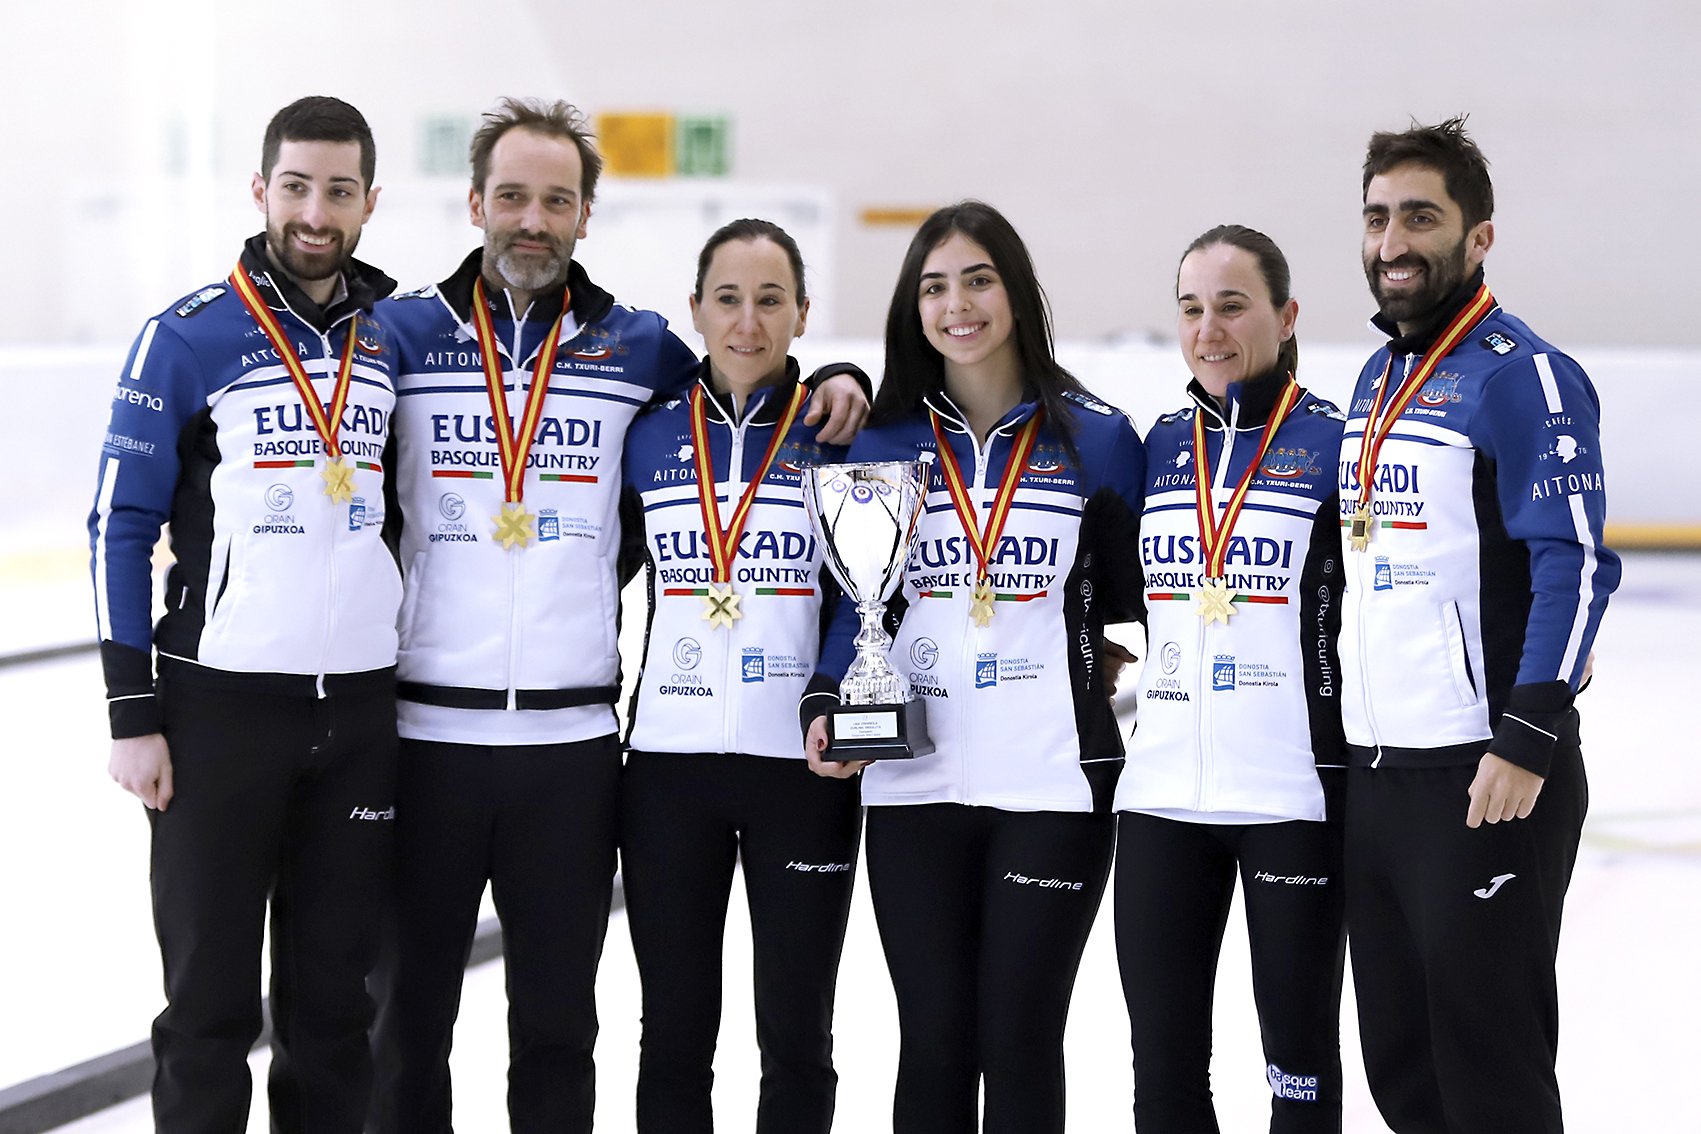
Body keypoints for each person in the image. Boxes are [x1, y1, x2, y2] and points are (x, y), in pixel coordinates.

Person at [368, 98, 868, 1134]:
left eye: (558, 199)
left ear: (588, 215)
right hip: (427, 738)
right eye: (512, 196)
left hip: (575, 750)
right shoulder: (405, 333)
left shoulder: (639, 351)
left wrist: (847, 378)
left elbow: (755, 396)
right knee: (406, 1021)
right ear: (475, 203)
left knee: (560, 1026)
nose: (533, 219)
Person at [90, 96, 399, 1133]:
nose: (317, 211)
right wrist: (133, 713)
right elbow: (117, 529)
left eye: (340, 190)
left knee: (333, 1012)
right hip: (217, 717)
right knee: (209, 1011)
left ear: (369, 201)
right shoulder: (185, 337)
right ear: (262, 190)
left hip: (359, 721)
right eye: (298, 186)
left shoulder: (396, 339)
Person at [803, 200, 1145, 1134]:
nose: (958, 304)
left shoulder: (1099, 439)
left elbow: (1136, 588)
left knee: (1022, 1037)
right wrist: (831, 697)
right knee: (935, 1041)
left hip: (1054, 786)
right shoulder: (879, 439)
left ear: (1017, 292)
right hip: (914, 784)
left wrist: (1093, 650)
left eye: (978, 279)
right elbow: (857, 604)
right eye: (934, 286)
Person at [1341, 116, 1620, 1133]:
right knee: (1403, 1067)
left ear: (1479, 235)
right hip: (1380, 777)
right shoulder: (1378, 380)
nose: (1393, 242)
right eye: (1377, 218)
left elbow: (1577, 561)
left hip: (1486, 778)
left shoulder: (1520, 375)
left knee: (1488, 1070)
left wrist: (1529, 735)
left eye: (1421, 216)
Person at [617, 218, 862, 1133]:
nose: (747, 323)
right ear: (696, 310)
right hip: (667, 772)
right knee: (673, 1033)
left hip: (803, 770)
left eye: (770, 301)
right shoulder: (645, 439)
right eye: (727, 299)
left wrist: (833, 688)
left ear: (803, 313)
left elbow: (862, 596)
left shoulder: (843, 433)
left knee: (797, 1035)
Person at [1112, 225, 1347, 1133]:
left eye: (1233, 305)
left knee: (1298, 1076)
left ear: (1286, 317)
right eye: (1191, 308)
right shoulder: (1157, 447)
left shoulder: (1338, 446)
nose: (1209, 329)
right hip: (1162, 800)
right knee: (1163, 1079)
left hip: (1291, 799)